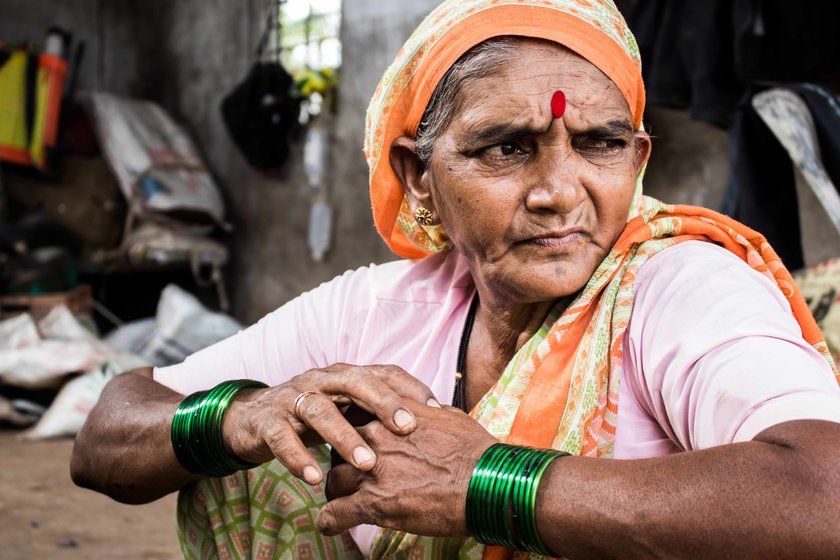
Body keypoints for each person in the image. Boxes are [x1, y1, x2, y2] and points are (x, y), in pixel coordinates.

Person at [71, 0, 840, 558]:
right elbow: (108, 432)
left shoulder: (677, 285)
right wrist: (237, 415)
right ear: (419, 176)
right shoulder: (380, 307)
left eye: (600, 143)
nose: (560, 191)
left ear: (637, 161)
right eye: (508, 148)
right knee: (236, 456)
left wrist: (491, 484)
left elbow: (825, 494)